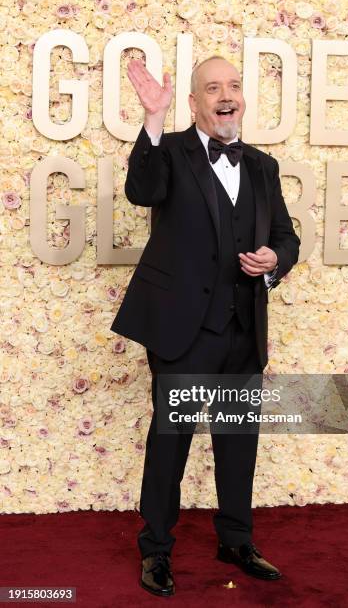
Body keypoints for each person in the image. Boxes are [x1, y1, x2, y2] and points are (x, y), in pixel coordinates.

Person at [110, 55, 300, 597]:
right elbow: (141, 191)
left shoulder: (263, 166)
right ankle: (156, 551)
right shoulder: (168, 150)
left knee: (239, 441)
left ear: (242, 98)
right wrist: (151, 118)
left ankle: (236, 540)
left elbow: (287, 236)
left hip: (245, 328)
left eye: (233, 86)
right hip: (183, 329)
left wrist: (275, 259)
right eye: (212, 87)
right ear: (194, 103)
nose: (225, 95)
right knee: (171, 440)